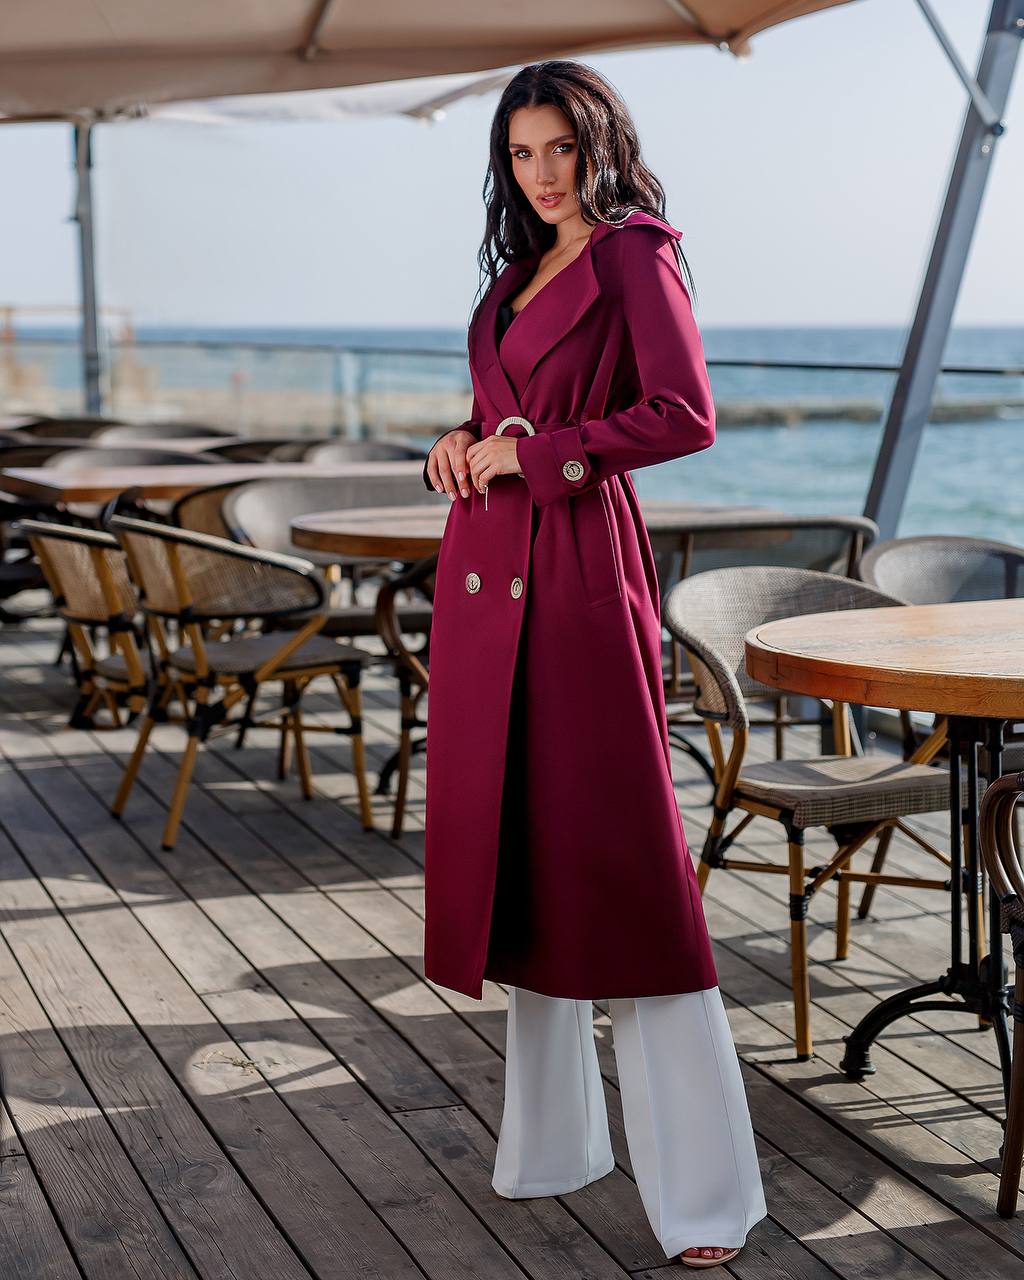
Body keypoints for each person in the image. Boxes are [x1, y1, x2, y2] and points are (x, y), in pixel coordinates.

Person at [421, 60, 767, 1268]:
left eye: (559, 146)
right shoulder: (515, 275)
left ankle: (705, 1194)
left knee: (620, 864)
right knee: (525, 861)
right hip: (483, 582)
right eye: (521, 153)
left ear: (599, 143)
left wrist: (540, 457)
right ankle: (554, 1145)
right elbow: (499, 411)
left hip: (573, 581)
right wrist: (459, 444)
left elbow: (683, 414)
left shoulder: (633, 251)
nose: (542, 172)